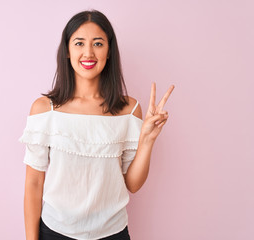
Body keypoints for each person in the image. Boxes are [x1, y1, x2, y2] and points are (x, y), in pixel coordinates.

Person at [19, 9, 174, 240]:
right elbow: (33, 183)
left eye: (98, 44)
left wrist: (147, 140)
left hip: (113, 233)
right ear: (67, 52)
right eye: (79, 43)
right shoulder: (45, 109)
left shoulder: (129, 110)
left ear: (109, 51)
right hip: (55, 232)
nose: (88, 53)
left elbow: (132, 184)